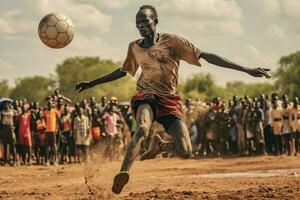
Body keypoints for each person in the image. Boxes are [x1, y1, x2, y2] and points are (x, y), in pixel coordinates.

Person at [75, 5, 271, 194]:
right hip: (146, 96)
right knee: (142, 128)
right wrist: (91, 83)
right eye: (138, 23)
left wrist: (247, 69)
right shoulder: (134, 47)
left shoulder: (172, 41)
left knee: (186, 151)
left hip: (169, 101)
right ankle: (123, 172)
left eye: (145, 21)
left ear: (156, 21)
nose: (141, 26)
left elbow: (207, 56)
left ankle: (161, 145)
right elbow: (122, 71)